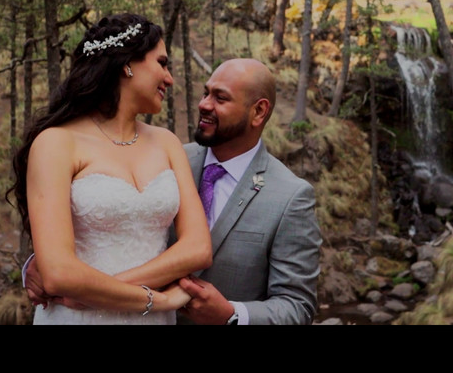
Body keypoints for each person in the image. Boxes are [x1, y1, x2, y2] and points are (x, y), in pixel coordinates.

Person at [25, 58, 322, 325]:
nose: (204, 104)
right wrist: (44, 265)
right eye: (206, 93)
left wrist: (231, 314)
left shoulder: (290, 197)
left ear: (259, 111)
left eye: (220, 98)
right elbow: (113, 225)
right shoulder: (167, 157)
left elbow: (298, 306)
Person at [8, 13, 212, 325]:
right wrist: (158, 298)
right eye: (161, 63)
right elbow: (59, 272)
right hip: (77, 318)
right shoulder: (57, 143)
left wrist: (95, 290)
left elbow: (198, 248)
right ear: (127, 64)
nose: (169, 78)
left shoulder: (168, 143)